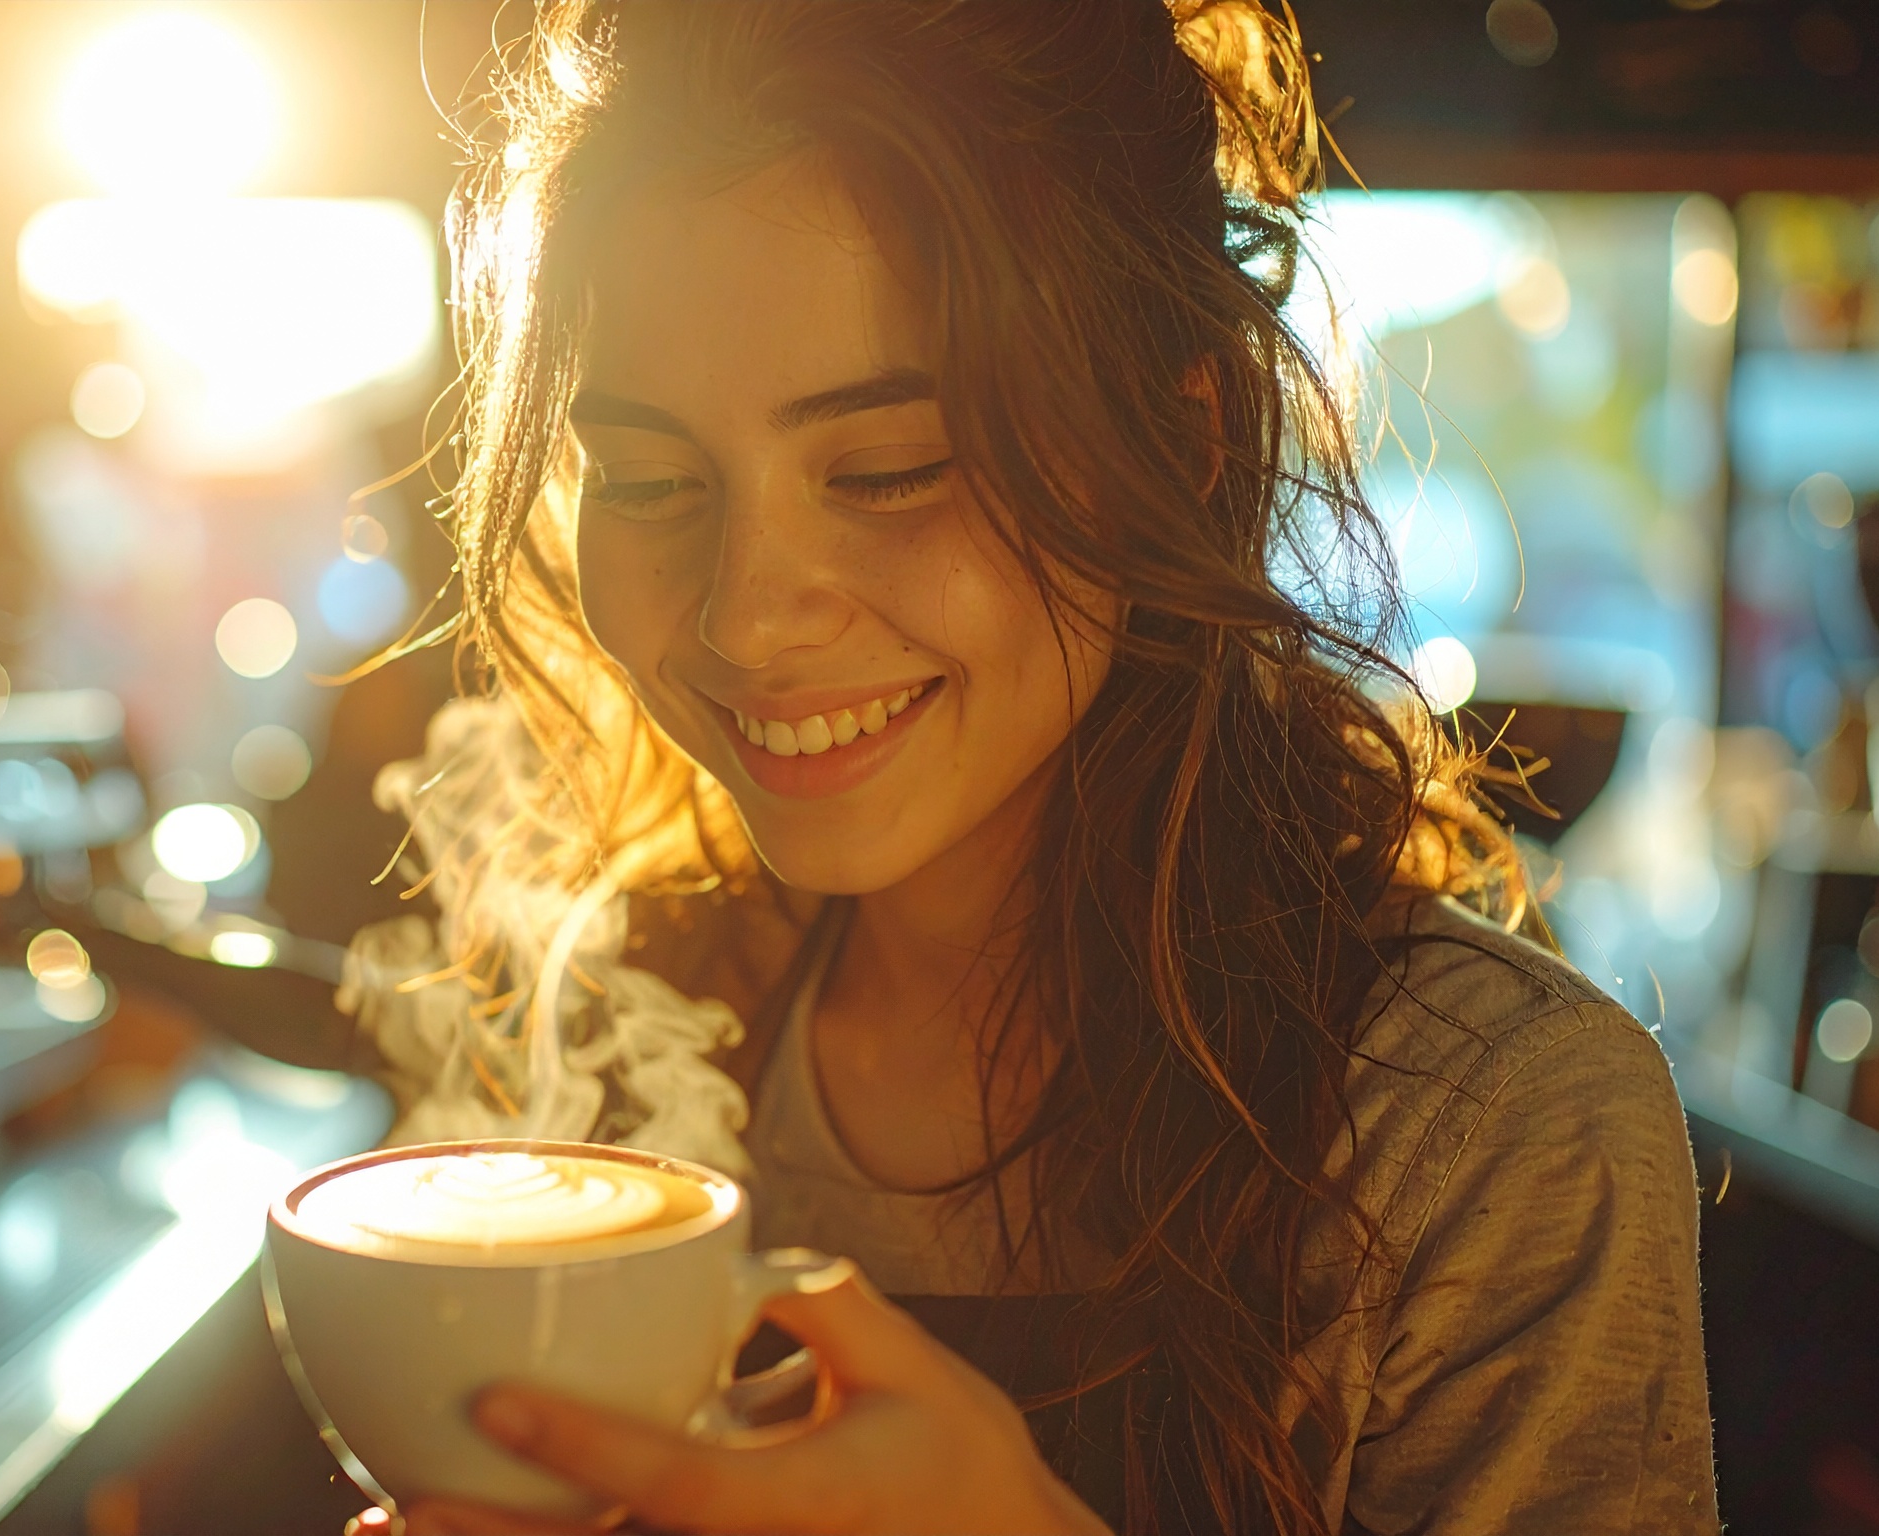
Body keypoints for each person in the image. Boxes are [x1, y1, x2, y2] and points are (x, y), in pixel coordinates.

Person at [338, 3, 1719, 1530]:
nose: (747, 616)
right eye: (655, 483)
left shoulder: (1475, 1128)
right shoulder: (628, 1014)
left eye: (888, 472)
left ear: (1180, 438)